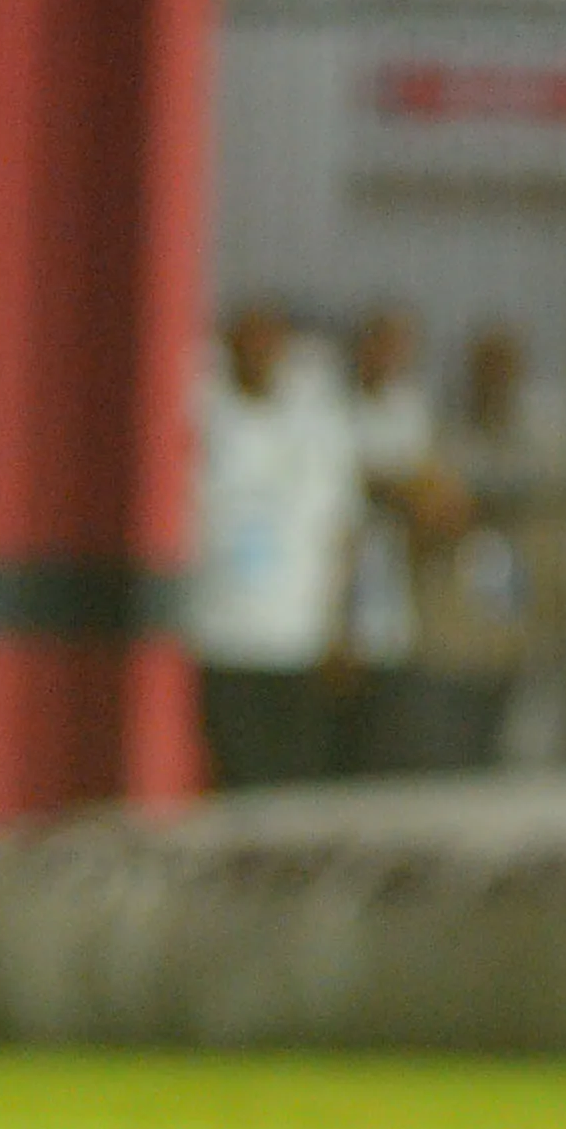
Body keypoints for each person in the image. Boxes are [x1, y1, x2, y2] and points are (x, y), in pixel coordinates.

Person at [185, 305, 360, 787]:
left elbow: (341, 531)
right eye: (249, 341)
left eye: (269, 342)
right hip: (221, 636)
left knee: (293, 781)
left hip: (297, 639)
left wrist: (342, 627)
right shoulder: (201, 414)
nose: (259, 353)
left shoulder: (318, 425)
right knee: (235, 775)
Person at [409, 326, 544, 768]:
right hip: (450, 643)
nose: (496, 383)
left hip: (510, 642)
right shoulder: (444, 441)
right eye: (487, 372)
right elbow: (429, 517)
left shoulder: (530, 447)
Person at [340, 308, 453, 772]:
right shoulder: (334, 406)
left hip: (395, 583)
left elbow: (429, 491)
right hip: (339, 576)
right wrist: (395, 488)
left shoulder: (409, 409)